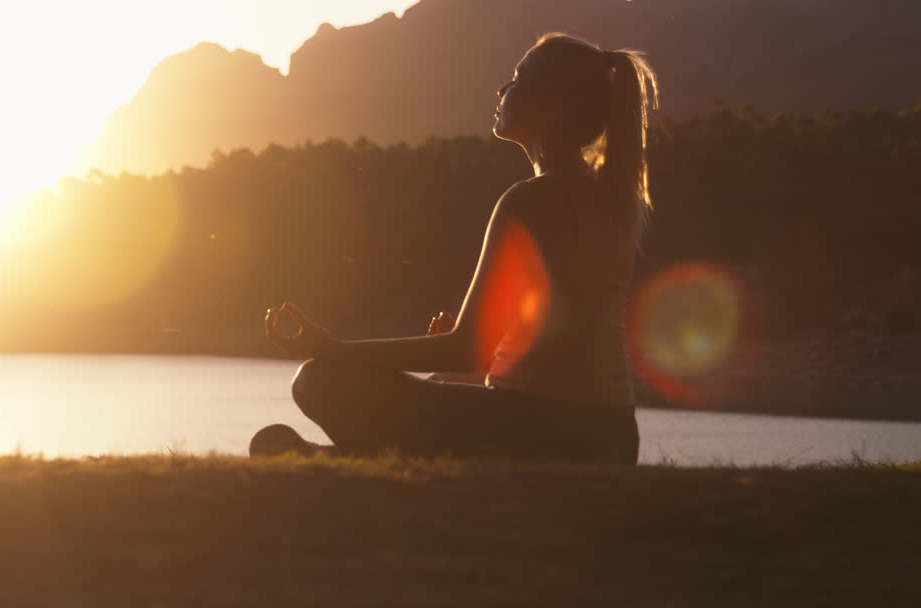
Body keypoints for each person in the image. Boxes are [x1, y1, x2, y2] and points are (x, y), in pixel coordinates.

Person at [253, 32, 659, 464]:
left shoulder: (532, 199)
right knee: (445, 378)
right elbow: (551, 347)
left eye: (517, 79)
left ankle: (335, 459)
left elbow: (466, 349)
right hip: (612, 437)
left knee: (319, 380)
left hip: (546, 430)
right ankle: (336, 458)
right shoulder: (612, 201)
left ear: (547, 108)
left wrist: (331, 347)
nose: (502, 90)